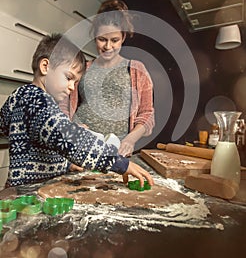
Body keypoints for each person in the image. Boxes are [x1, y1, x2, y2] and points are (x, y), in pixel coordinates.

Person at [0, 33, 154, 188]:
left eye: (76, 82)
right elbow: (70, 139)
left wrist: (65, 165)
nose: (72, 87)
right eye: (68, 77)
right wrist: (118, 163)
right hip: (29, 192)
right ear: (45, 67)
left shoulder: (19, 95)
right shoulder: (38, 101)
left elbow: (30, 138)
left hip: (22, 188)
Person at [60, 0, 155, 157]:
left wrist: (130, 140)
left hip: (117, 151)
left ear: (123, 37)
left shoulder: (137, 69)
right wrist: (74, 126)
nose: (108, 46)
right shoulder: (82, 68)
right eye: (102, 39)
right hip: (81, 148)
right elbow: (64, 106)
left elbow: (147, 114)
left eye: (114, 40)